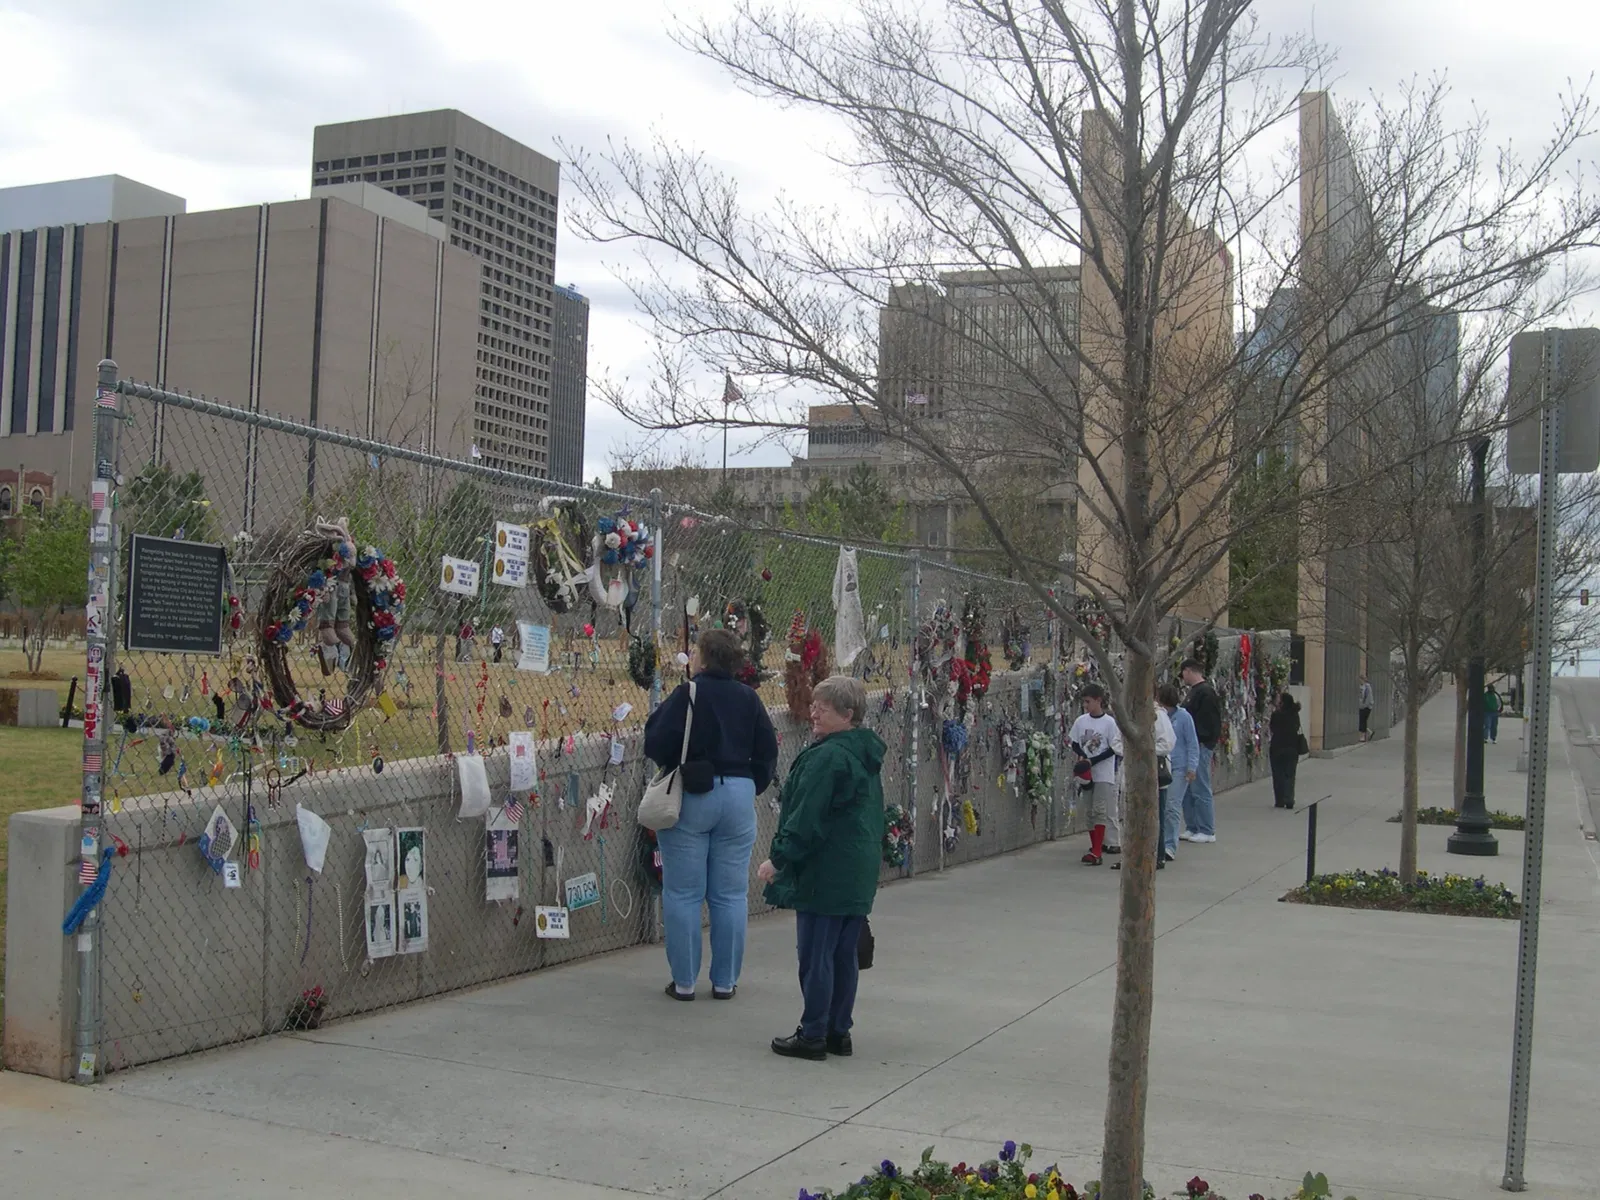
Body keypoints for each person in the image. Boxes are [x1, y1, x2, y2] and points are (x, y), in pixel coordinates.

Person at [645, 629, 779, 1002]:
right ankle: (725, 981)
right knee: (730, 894)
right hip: (738, 793)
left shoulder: (688, 694)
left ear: (702, 658)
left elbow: (655, 740)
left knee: (684, 892)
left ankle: (684, 981)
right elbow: (767, 750)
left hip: (693, 790)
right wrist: (752, 783)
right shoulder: (749, 699)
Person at [757, 676, 885, 1060]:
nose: (813, 712)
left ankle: (813, 1031)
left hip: (827, 872)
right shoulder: (863, 755)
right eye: (814, 704)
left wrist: (778, 858)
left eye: (823, 707)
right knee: (843, 954)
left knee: (816, 954)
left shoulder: (828, 757)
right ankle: (837, 1029)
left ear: (847, 715)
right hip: (856, 869)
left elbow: (806, 818)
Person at [1111, 697, 1176, 871]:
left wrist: (1145, 750)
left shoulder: (1158, 716)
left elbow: (1168, 743)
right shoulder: (1126, 717)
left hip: (1153, 773)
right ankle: (1129, 857)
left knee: (1155, 816)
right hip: (1131, 773)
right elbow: (1115, 742)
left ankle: (1156, 856)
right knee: (1128, 817)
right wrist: (1131, 751)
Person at [1070, 683, 1123, 865]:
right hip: (1087, 773)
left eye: (1088, 702)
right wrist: (1083, 757)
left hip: (1103, 773)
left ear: (1098, 701)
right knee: (1090, 812)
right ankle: (1094, 847)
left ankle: (1098, 850)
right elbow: (1075, 742)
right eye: (1084, 702)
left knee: (1100, 810)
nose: (1085, 705)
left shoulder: (1109, 723)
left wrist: (1092, 761)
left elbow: (1114, 749)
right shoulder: (1081, 721)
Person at [1180, 659, 1221, 843]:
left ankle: (1207, 829)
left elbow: (1211, 723)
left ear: (1188, 671)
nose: (1182, 677)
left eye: (1183, 672)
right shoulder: (1194, 692)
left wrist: (1205, 742)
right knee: (1188, 789)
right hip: (1191, 745)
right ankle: (1192, 826)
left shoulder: (1206, 693)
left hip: (1201, 745)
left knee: (1200, 787)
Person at [1158, 683, 1198, 865]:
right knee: (1162, 807)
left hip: (1179, 768)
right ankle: (1160, 844)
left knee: (1172, 807)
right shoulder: (1158, 717)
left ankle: (1169, 846)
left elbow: (1192, 743)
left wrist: (1192, 767)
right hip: (1162, 766)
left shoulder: (1184, 717)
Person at [1267, 691, 1303, 809]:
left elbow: (1272, 728)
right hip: (1292, 747)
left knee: (1278, 775)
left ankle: (1280, 800)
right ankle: (1289, 798)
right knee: (1290, 774)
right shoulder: (1294, 714)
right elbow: (1297, 727)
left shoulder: (1276, 715)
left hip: (1277, 747)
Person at [1359, 676, 1374, 742]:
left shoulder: (1367, 687)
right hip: (1364, 706)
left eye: (1360, 680)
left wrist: (1363, 705)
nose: (1359, 682)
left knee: (1362, 721)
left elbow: (1368, 698)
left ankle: (1362, 737)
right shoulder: (1363, 687)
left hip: (1366, 707)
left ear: (1363, 680)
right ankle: (1369, 732)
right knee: (1363, 721)